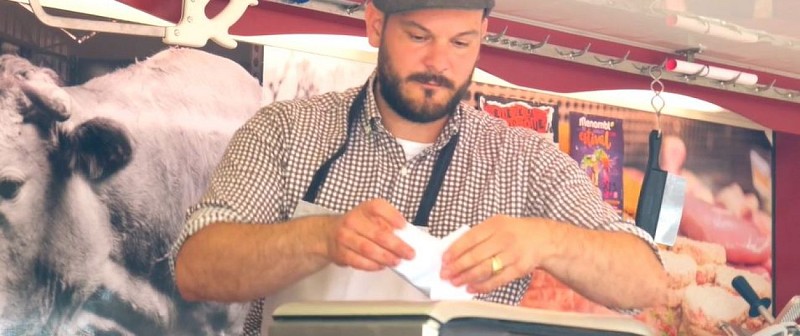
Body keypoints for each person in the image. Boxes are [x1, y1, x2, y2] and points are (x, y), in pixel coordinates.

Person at [171, 0, 668, 335]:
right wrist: (320, 238)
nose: (439, 62)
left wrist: (544, 239)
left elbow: (645, 283)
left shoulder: (524, 160)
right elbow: (196, 268)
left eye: (461, 43)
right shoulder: (286, 130)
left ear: (483, 36)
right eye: (419, 36)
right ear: (374, 24)